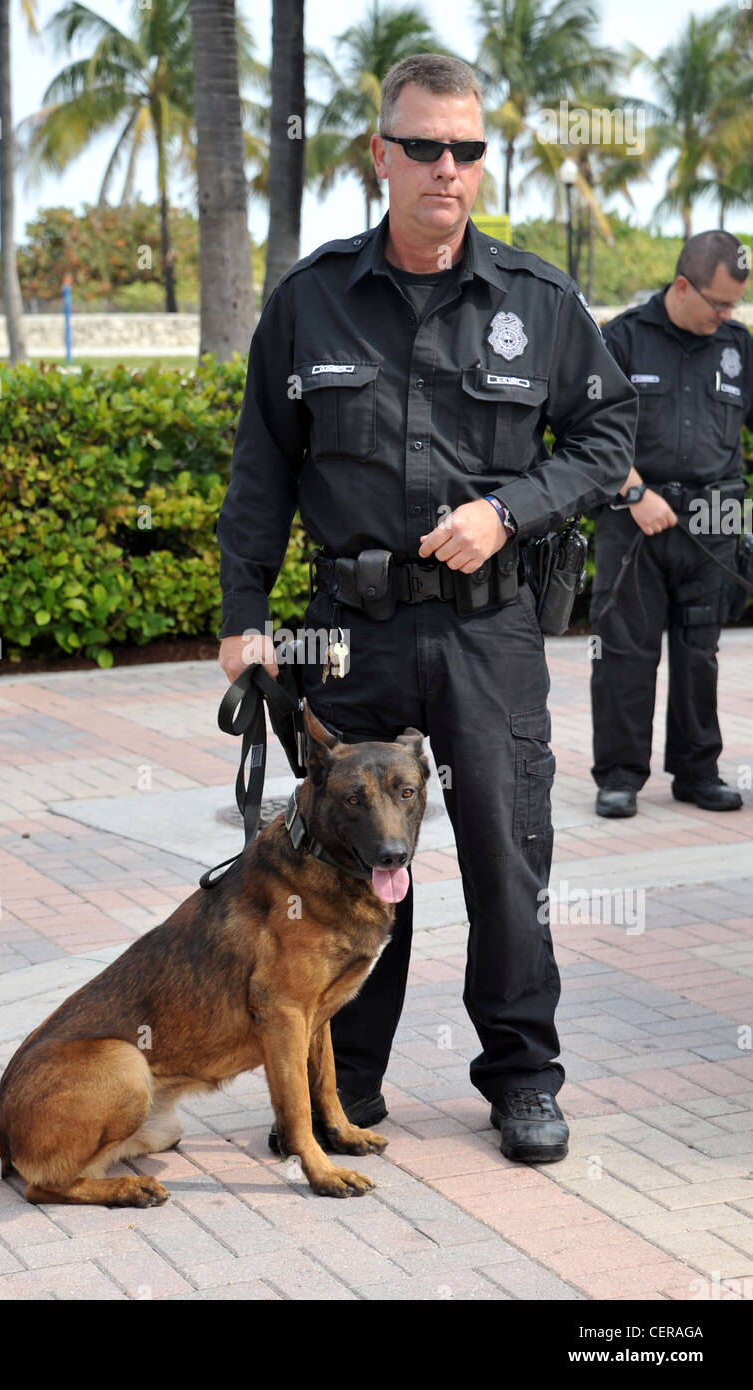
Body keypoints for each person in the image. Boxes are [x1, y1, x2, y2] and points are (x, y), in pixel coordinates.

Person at [215, 53, 638, 1163]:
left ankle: (520, 1077)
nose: (444, 169)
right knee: (349, 861)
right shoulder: (310, 300)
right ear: (380, 155)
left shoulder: (537, 303)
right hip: (347, 635)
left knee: (506, 857)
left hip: (486, 632)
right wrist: (244, 614)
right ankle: (342, 1080)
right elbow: (260, 467)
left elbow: (604, 443)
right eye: (422, 147)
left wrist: (507, 509)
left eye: (465, 149)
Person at [591, 232, 752, 818]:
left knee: (700, 654)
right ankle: (619, 776)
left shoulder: (739, 346)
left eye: (734, 304)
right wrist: (634, 490)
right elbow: (593, 429)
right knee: (624, 654)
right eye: (719, 302)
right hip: (636, 520)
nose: (726, 314)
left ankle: (697, 771)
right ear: (682, 286)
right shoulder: (624, 338)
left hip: (716, 519)